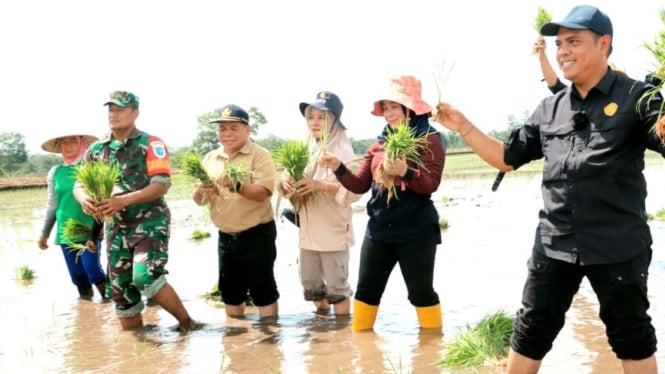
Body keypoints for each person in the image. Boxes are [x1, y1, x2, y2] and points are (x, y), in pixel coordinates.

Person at [435, 5, 661, 373]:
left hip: (618, 246)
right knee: (529, 333)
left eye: (574, 41)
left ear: (604, 44)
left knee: (632, 338)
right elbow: (508, 158)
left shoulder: (638, 98)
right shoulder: (549, 108)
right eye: (559, 44)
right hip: (554, 245)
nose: (563, 52)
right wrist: (463, 126)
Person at [319, 75, 445, 331]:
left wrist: (405, 171)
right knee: (366, 291)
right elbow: (359, 185)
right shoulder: (380, 143)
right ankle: (363, 353)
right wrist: (338, 167)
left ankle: (431, 351)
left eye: (394, 106)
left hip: (416, 231)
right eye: (385, 107)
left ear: (410, 108)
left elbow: (430, 184)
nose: (388, 113)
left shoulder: (430, 139)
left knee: (420, 293)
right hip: (379, 230)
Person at [74, 90, 198, 332]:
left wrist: (124, 200)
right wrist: (84, 199)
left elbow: (161, 184)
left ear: (135, 112)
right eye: (111, 109)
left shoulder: (151, 144)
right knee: (120, 290)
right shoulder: (97, 149)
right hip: (116, 227)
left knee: (145, 276)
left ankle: (187, 324)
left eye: (120, 109)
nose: (114, 114)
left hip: (149, 223)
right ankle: (136, 350)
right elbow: (79, 184)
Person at [192, 104, 279, 320]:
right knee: (230, 294)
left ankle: (271, 341)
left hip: (258, 234)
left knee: (263, 292)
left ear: (247, 130)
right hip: (226, 237)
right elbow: (199, 200)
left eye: (233, 128)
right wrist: (201, 190)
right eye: (222, 129)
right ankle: (235, 342)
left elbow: (263, 193)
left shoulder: (259, 155)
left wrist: (235, 185)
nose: (227, 134)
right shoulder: (210, 158)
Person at [279, 91, 361, 316]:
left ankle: (342, 335)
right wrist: (285, 184)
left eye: (322, 117)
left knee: (337, 288)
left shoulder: (343, 151)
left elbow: (355, 191)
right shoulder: (303, 149)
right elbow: (286, 177)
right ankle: (323, 327)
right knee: (311, 284)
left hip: (333, 230)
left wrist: (320, 186)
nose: (315, 123)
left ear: (335, 121)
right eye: (311, 117)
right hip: (308, 231)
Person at [38, 132, 108, 300]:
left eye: (72, 141)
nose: (68, 146)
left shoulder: (90, 168)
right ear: (59, 147)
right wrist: (44, 233)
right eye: (63, 142)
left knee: (92, 269)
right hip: (66, 231)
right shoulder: (55, 172)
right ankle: (87, 312)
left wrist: (101, 226)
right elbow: (52, 205)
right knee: (78, 275)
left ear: (81, 144)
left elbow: (102, 199)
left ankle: (113, 303)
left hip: (89, 227)